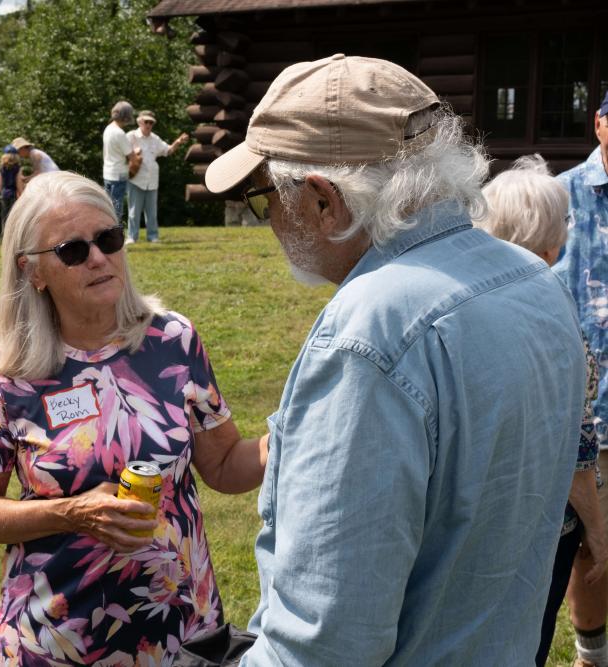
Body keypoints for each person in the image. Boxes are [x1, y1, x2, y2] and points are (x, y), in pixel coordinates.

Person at [204, 54, 587, 664]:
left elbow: (328, 644)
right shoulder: (533, 280)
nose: (270, 221)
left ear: (324, 200)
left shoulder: (371, 333)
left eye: (264, 197)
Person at [0, 171, 267, 664]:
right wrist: (71, 512)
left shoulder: (173, 341)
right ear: (32, 272)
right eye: (73, 250)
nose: (100, 257)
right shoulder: (9, 374)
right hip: (57, 643)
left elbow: (224, 464)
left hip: (183, 636)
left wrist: (289, 437)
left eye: (108, 238)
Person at [478, 154, 608, 665]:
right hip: (535, 525)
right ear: (553, 242)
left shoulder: (454, 304)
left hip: (462, 518)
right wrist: (596, 526)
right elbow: (576, 449)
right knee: (521, 644)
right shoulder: (552, 320)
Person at [556, 89, 608, 667]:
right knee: (590, 548)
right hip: (586, 413)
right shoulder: (560, 196)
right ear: (598, 123)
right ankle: (591, 653)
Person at [125, 110, 188, 244]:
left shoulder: (155, 138)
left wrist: (178, 141)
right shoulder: (131, 136)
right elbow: (121, 154)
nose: (148, 125)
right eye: (146, 122)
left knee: (152, 212)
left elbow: (168, 150)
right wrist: (134, 154)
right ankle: (131, 237)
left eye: (151, 122)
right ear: (139, 122)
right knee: (133, 212)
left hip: (152, 180)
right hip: (136, 179)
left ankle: (153, 236)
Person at [102, 100, 135, 223]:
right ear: (126, 116)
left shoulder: (108, 129)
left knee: (108, 207)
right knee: (117, 209)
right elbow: (131, 157)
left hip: (108, 173)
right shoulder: (120, 133)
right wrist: (136, 152)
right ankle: (115, 237)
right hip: (119, 174)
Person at [0, 144, 23, 231]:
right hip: (13, 194)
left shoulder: (1, 168)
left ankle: (4, 236)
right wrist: (22, 194)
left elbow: (0, 183)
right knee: (14, 216)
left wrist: (1, 193)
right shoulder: (17, 168)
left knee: (4, 217)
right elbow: (18, 183)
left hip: (4, 194)